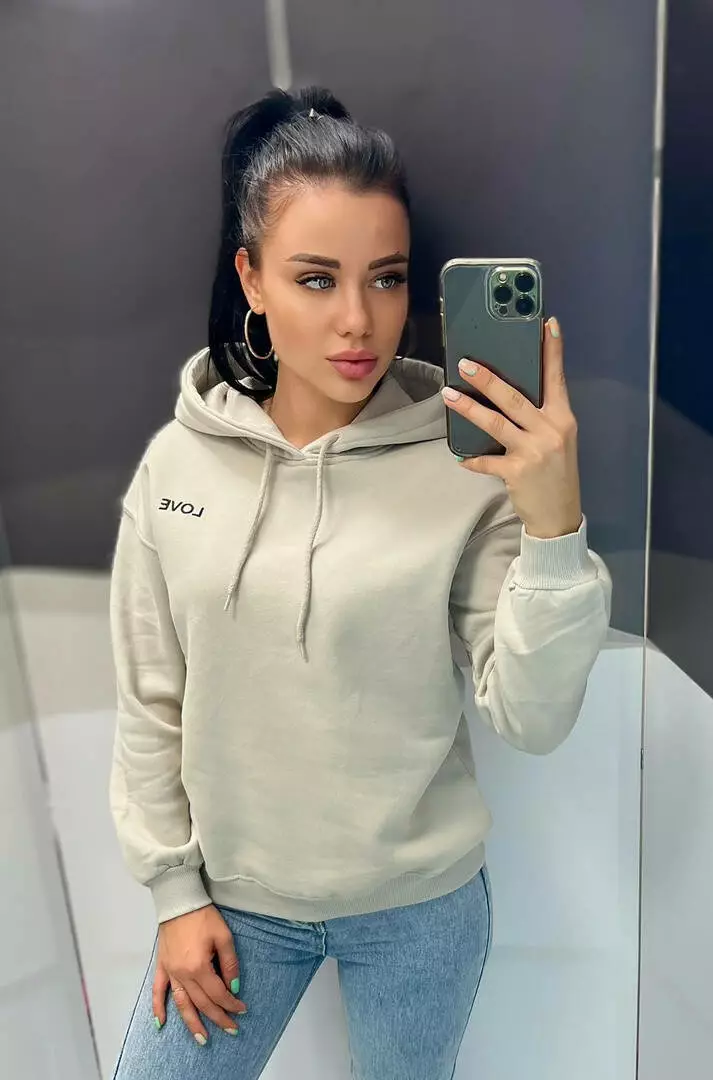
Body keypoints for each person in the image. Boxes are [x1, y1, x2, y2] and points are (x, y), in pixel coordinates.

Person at [109, 85, 611, 1080]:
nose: (358, 320)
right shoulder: (178, 464)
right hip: (234, 907)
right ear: (252, 279)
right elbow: (149, 699)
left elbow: (532, 717)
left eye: (385, 278)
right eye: (315, 278)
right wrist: (174, 895)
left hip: (419, 909)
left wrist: (553, 524)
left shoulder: (466, 471)